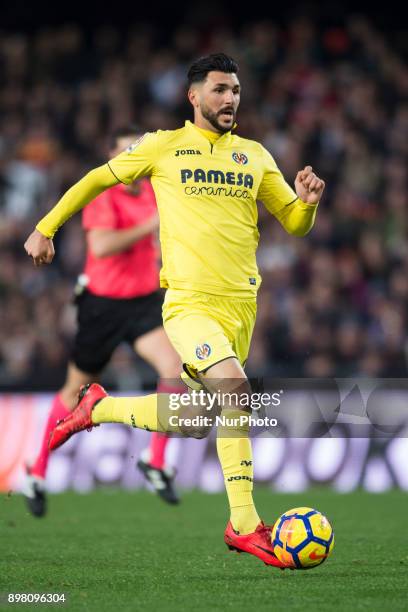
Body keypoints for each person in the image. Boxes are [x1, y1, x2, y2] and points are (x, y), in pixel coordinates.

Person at [24, 53, 325, 568]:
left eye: (235, 90)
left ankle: (99, 408)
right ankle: (245, 525)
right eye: (219, 89)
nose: (230, 98)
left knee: (196, 417)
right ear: (194, 97)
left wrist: (307, 202)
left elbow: (294, 224)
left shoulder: (253, 155)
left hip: (239, 308)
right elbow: (96, 180)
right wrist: (46, 227)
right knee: (236, 390)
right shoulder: (164, 146)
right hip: (188, 305)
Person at [23, 126, 184, 517]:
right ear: (113, 158)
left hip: (143, 303)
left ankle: (156, 462)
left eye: (137, 149)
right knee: (74, 389)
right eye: (126, 150)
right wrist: (149, 228)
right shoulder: (103, 195)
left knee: (175, 369)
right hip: (104, 306)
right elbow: (101, 246)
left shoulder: (150, 190)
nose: (133, 157)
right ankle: (37, 472)